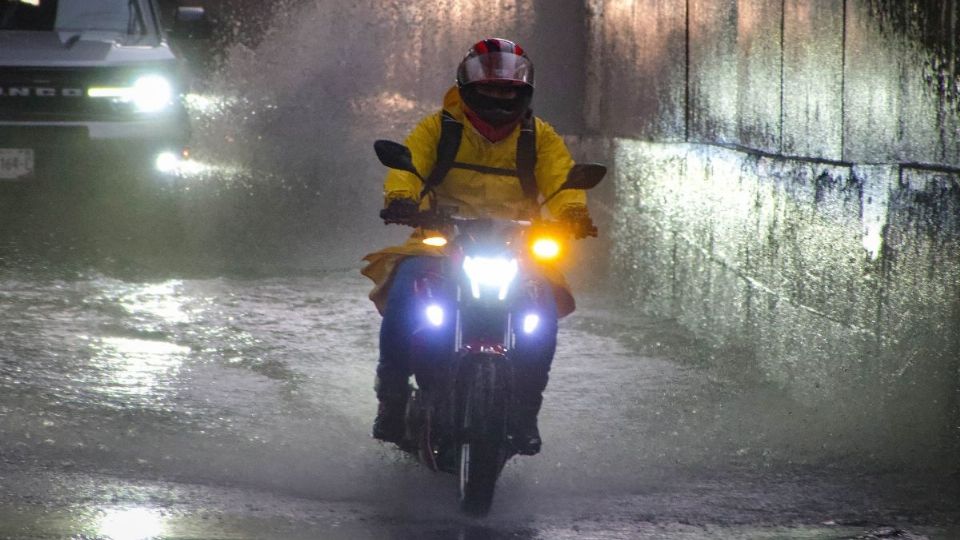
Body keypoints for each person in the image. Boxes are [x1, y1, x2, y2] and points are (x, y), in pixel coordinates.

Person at [361, 38, 595, 456]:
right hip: (442, 241)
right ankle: (392, 401)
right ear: (468, 88)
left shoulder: (539, 137)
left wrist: (573, 211)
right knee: (404, 295)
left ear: (524, 93)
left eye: (508, 90)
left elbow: (561, 181)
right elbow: (409, 167)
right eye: (489, 89)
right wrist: (401, 200)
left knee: (542, 312)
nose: (498, 97)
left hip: (518, 246)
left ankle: (525, 411)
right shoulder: (439, 128)